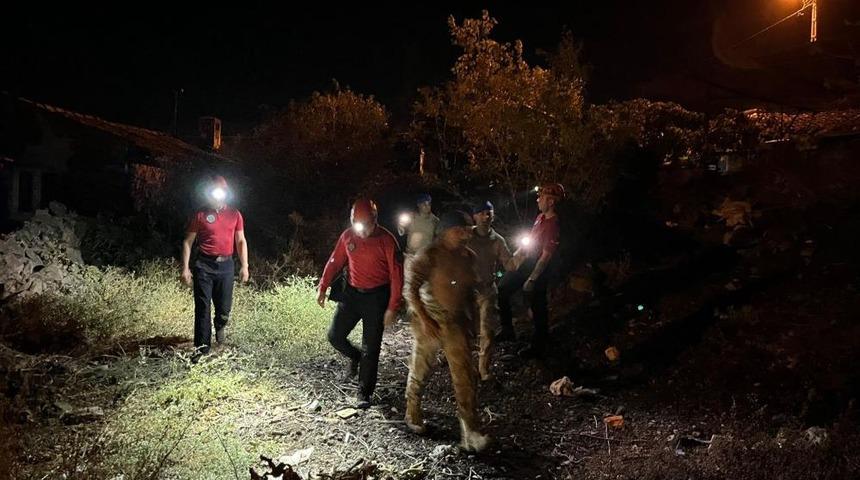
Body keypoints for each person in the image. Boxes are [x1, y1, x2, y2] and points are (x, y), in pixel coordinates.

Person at [403, 210, 490, 452]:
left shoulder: (468, 257)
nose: (464, 234)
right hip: (430, 319)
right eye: (459, 230)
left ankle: (469, 429)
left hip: (456, 321)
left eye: (466, 230)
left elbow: (471, 291)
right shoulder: (429, 255)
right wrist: (424, 318)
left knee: (464, 375)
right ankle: (412, 409)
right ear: (445, 231)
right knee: (421, 366)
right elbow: (411, 289)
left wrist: (472, 323)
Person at [317, 198, 403, 409]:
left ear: (375, 220)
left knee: (370, 348)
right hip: (353, 294)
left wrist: (393, 306)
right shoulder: (347, 237)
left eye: (367, 226)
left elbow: (397, 275)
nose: (362, 232)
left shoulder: (387, 240)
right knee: (334, 336)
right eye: (359, 226)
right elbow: (335, 261)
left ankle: (364, 392)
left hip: (377, 297)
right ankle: (355, 357)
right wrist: (322, 286)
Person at [180, 175, 249, 361]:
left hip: (226, 265)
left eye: (221, 192)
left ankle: (220, 324)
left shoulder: (235, 214)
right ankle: (201, 349)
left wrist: (245, 266)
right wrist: (185, 268)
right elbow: (188, 242)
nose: (218, 196)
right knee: (202, 308)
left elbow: (241, 241)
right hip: (203, 265)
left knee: (224, 307)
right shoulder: (200, 214)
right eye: (214, 192)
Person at [497, 183, 564, 358]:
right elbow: (530, 242)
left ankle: (539, 344)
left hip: (539, 269)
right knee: (503, 289)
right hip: (526, 263)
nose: (538, 199)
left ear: (550, 201)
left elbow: (546, 256)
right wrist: (515, 260)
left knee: (538, 305)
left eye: (541, 197)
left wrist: (532, 279)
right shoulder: (540, 218)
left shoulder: (553, 225)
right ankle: (507, 330)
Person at [467, 201, 521, 380]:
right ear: (474, 216)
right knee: (466, 331)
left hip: (487, 291)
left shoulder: (497, 240)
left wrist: (524, 251)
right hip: (466, 290)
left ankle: (483, 369)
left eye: (489, 212)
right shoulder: (466, 236)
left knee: (487, 332)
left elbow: (510, 265)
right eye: (481, 213)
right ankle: (464, 366)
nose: (486, 216)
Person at [397, 193, 440, 259]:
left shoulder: (435, 221)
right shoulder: (411, 217)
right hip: (411, 255)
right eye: (424, 204)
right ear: (418, 205)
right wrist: (401, 225)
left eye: (429, 204)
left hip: (426, 256)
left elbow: (439, 238)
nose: (427, 206)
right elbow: (402, 232)